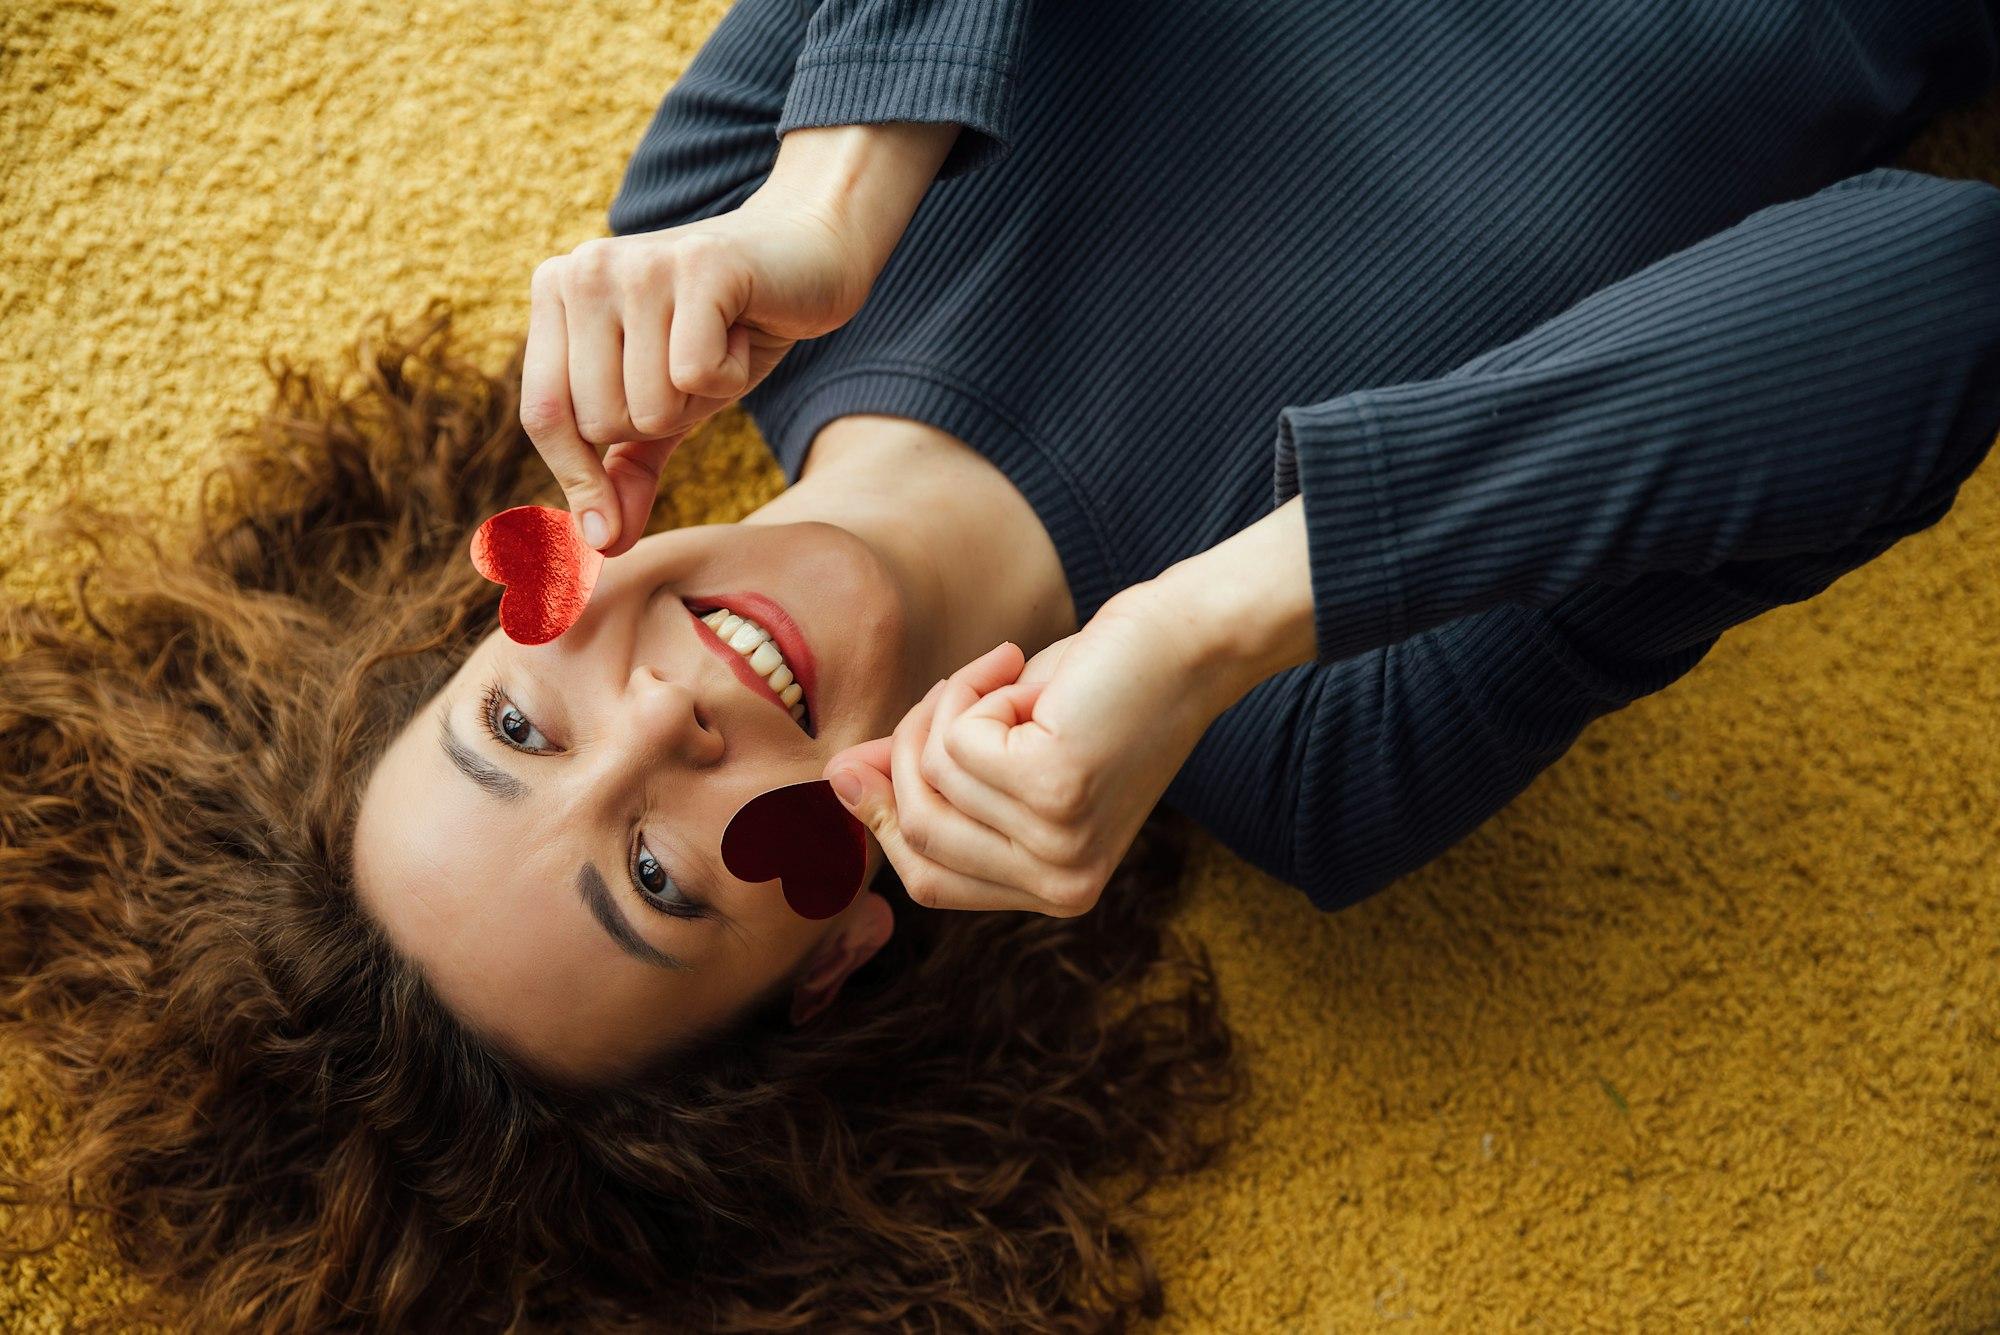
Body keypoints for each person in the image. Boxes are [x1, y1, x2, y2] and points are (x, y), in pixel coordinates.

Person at [4, 0, 1997, 1329]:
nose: (664, 721)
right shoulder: (1323, 743)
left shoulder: (708, 218)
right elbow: (1933, 287)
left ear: (505, 604)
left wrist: (837, 187)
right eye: (659, 874)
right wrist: (1230, 617)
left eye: (519, 722)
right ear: (838, 942)